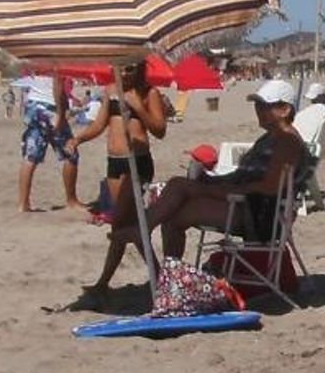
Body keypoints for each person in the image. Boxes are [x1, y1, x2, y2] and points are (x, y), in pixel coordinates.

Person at [111, 79, 306, 260]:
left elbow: (259, 188)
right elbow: (246, 178)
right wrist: (212, 181)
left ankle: (145, 235)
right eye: (257, 105)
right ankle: (163, 262)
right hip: (249, 207)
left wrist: (210, 189)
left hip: (256, 216)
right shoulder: (274, 138)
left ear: (285, 110)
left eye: (265, 106)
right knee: (176, 201)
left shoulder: (286, 143)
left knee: (178, 190)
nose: (258, 110)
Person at [66, 61, 167, 307]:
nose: (124, 72)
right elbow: (99, 125)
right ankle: (159, 278)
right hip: (114, 162)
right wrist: (78, 139)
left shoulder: (149, 92)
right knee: (129, 225)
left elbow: (160, 129)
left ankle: (105, 283)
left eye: (129, 68)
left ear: (140, 69)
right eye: (120, 67)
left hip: (137, 163)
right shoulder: (110, 90)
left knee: (122, 223)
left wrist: (138, 107)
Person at [17, 75, 81, 212]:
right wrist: (61, 114)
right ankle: (71, 200)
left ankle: (23, 203)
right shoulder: (57, 63)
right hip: (49, 106)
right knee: (70, 153)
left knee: (30, 156)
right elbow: (57, 85)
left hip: (33, 105)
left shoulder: (38, 63)